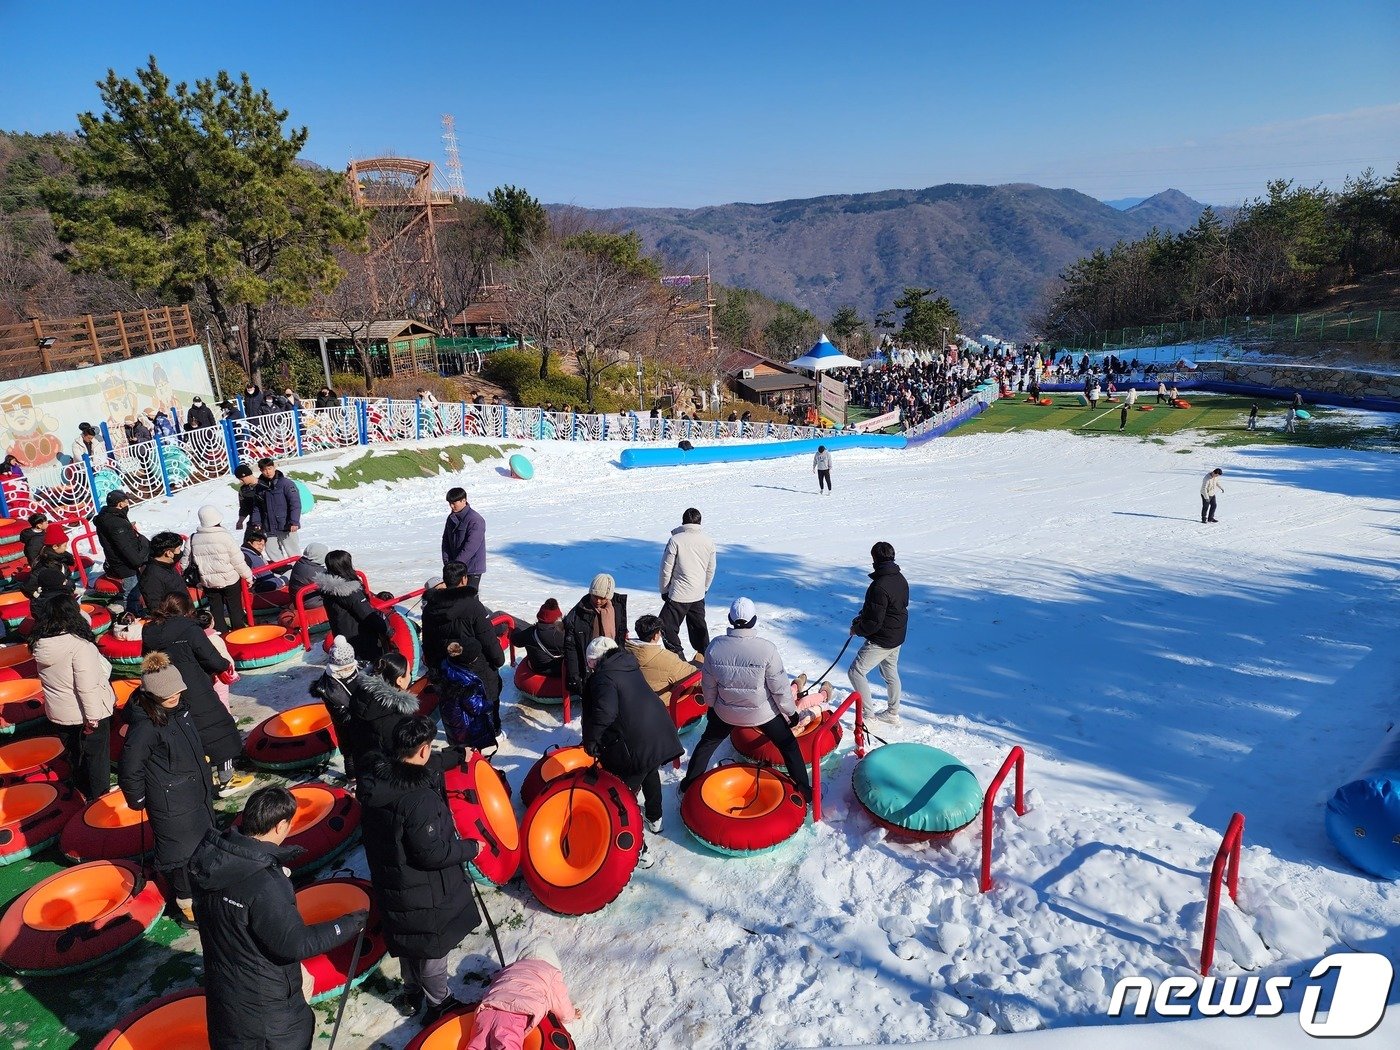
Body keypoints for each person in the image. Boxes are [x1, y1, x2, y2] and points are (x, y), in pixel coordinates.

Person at [190, 787, 366, 1050]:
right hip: (267, 1012)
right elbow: (295, 944)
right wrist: (349, 925)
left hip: (225, 998)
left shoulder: (210, 861)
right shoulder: (264, 883)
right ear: (281, 825)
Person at [359, 715, 480, 1024]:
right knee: (431, 950)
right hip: (423, 889)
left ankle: (412, 992)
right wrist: (471, 848)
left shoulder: (375, 782)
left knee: (409, 942)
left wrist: (457, 754)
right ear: (423, 750)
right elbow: (433, 853)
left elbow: (433, 764)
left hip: (392, 881)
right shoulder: (418, 800)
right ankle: (441, 1004)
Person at [679, 598, 811, 804]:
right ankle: (804, 790)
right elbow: (780, 688)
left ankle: (688, 784)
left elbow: (709, 685)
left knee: (707, 743)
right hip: (763, 713)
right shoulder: (766, 649)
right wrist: (792, 713)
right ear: (754, 620)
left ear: (730, 619)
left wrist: (713, 707)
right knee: (788, 745)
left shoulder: (715, 647)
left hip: (726, 712)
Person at [119, 653, 216, 927]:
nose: (173, 696)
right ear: (152, 694)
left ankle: (204, 892)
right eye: (166, 693)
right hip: (171, 801)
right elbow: (130, 766)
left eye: (176, 690)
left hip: (195, 792)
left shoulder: (180, 711)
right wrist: (137, 797)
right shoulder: (146, 726)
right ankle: (188, 908)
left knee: (202, 845)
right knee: (180, 856)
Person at [582, 636, 683, 862]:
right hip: (656, 732)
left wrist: (591, 741)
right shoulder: (628, 665)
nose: (590, 667)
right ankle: (655, 818)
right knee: (648, 770)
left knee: (622, 795)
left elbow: (604, 714)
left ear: (597, 661)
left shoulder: (603, 678)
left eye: (590, 662)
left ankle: (638, 848)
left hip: (636, 741)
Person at [141, 590, 250, 793]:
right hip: (195, 687)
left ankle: (201, 781)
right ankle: (226, 778)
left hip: (165, 691)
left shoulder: (149, 631)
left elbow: (147, 659)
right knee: (219, 729)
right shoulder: (189, 629)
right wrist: (223, 665)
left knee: (186, 734)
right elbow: (210, 657)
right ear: (187, 609)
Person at [31, 594, 115, 801]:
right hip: (87, 713)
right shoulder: (80, 647)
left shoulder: (41, 646)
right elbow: (87, 687)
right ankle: (98, 801)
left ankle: (82, 791)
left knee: (75, 756)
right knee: (96, 760)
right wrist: (93, 719)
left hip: (60, 713)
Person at [465, 935, 581, 1050]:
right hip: (514, 1015)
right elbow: (560, 1001)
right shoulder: (552, 972)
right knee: (506, 1044)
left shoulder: (510, 968)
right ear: (552, 960)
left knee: (477, 1045)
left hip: (486, 1011)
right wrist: (571, 1015)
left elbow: (495, 985)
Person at [421, 561, 504, 709]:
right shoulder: (473, 606)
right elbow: (488, 638)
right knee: (486, 705)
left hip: (446, 668)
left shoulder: (430, 608)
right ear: (464, 579)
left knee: (455, 709)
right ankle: (494, 730)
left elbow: (427, 642)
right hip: (475, 668)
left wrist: (435, 669)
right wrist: (498, 660)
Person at [848, 542, 909, 724]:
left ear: (874, 559)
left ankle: (868, 716)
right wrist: (862, 618)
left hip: (883, 639)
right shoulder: (900, 578)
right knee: (890, 672)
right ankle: (892, 713)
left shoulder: (879, 586)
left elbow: (873, 623)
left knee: (856, 672)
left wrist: (857, 629)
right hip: (897, 636)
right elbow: (885, 610)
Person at [342, 650, 422, 777]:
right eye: (409, 673)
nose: (410, 676)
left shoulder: (360, 695)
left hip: (364, 770)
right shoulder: (397, 717)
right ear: (399, 680)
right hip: (388, 776)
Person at [657, 508, 716, 658]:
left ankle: (678, 657)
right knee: (699, 628)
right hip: (698, 593)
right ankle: (706, 658)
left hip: (679, 594)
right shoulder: (708, 541)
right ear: (699, 522)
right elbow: (711, 569)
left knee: (665, 626)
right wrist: (705, 588)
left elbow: (666, 568)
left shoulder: (675, 540)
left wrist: (664, 590)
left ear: (683, 522)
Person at [563, 574, 629, 701]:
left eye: (602, 598)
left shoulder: (617, 608)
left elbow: (620, 636)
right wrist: (575, 676)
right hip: (589, 665)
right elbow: (571, 647)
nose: (598, 601)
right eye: (594, 596)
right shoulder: (578, 614)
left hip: (611, 661)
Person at [315, 549, 388, 662]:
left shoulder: (328, 589)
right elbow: (368, 616)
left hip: (343, 636)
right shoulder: (349, 592)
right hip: (360, 640)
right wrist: (386, 628)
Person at [190, 506, 253, 633]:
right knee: (234, 608)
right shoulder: (224, 536)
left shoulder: (194, 538)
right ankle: (239, 633)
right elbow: (237, 559)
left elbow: (187, 560)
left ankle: (221, 634)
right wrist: (248, 576)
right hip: (229, 579)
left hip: (208, 581)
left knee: (216, 609)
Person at [308, 635, 362, 780]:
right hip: (347, 725)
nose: (347, 670)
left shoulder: (360, 669)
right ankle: (352, 778)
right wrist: (364, 712)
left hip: (364, 720)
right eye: (343, 668)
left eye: (350, 667)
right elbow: (341, 716)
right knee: (349, 753)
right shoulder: (327, 687)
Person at [94, 489, 150, 613]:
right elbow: (124, 546)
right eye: (126, 501)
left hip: (120, 560)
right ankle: (133, 614)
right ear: (120, 504)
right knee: (131, 593)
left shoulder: (108, 517)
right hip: (125, 563)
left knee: (133, 589)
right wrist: (137, 561)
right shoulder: (116, 523)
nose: (127, 504)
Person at [627, 613, 702, 703]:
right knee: (700, 661)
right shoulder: (666, 659)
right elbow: (694, 677)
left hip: (634, 700)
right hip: (662, 705)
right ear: (655, 636)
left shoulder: (625, 649)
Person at [253, 458, 301, 561]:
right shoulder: (259, 487)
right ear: (261, 471)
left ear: (274, 467)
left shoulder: (286, 484)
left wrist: (294, 521)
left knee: (293, 551)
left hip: (286, 525)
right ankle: (283, 571)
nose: (268, 472)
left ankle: (298, 572)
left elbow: (295, 503)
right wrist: (257, 522)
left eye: (270, 468)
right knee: (271, 550)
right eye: (265, 470)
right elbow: (256, 507)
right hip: (269, 526)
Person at [441, 487, 486, 589]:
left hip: (471, 568)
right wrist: (448, 563)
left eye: (454, 503)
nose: (451, 506)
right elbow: (445, 541)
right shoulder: (451, 518)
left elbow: (471, 547)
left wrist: (455, 566)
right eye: (450, 503)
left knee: (469, 598)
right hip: (454, 568)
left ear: (464, 500)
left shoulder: (475, 520)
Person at [510, 599, 566, 678]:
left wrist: (516, 630)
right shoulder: (564, 633)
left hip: (540, 669)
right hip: (560, 668)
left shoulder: (530, 633)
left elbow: (516, 641)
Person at [139, 531, 189, 613]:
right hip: (174, 619)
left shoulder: (168, 565)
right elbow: (156, 607)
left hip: (184, 613)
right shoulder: (152, 576)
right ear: (169, 553)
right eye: (179, 549)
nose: (180, 552)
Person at [241, 527, 286, 597]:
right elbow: (262, 575)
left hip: (265, 582)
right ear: (250, 543)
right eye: (258, 544)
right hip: (263, 587)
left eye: (263, 545)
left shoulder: (252, 553)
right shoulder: (249, 556)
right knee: (291, 575)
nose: (261, 547)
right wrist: (281, 581)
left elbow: (264, 565)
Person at [286, 542, 328, 609]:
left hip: (301, 599)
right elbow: (331, 587)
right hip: (310, 602)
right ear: (319, 556)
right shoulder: (314, 572)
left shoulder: (302, 562)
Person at [233, 463, 258, 530]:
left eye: (242, 479)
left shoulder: (264, 484)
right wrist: (240, 521)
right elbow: (244, 508)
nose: (240, 481)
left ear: (247, 475)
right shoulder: (243, 490)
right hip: (253, 522)